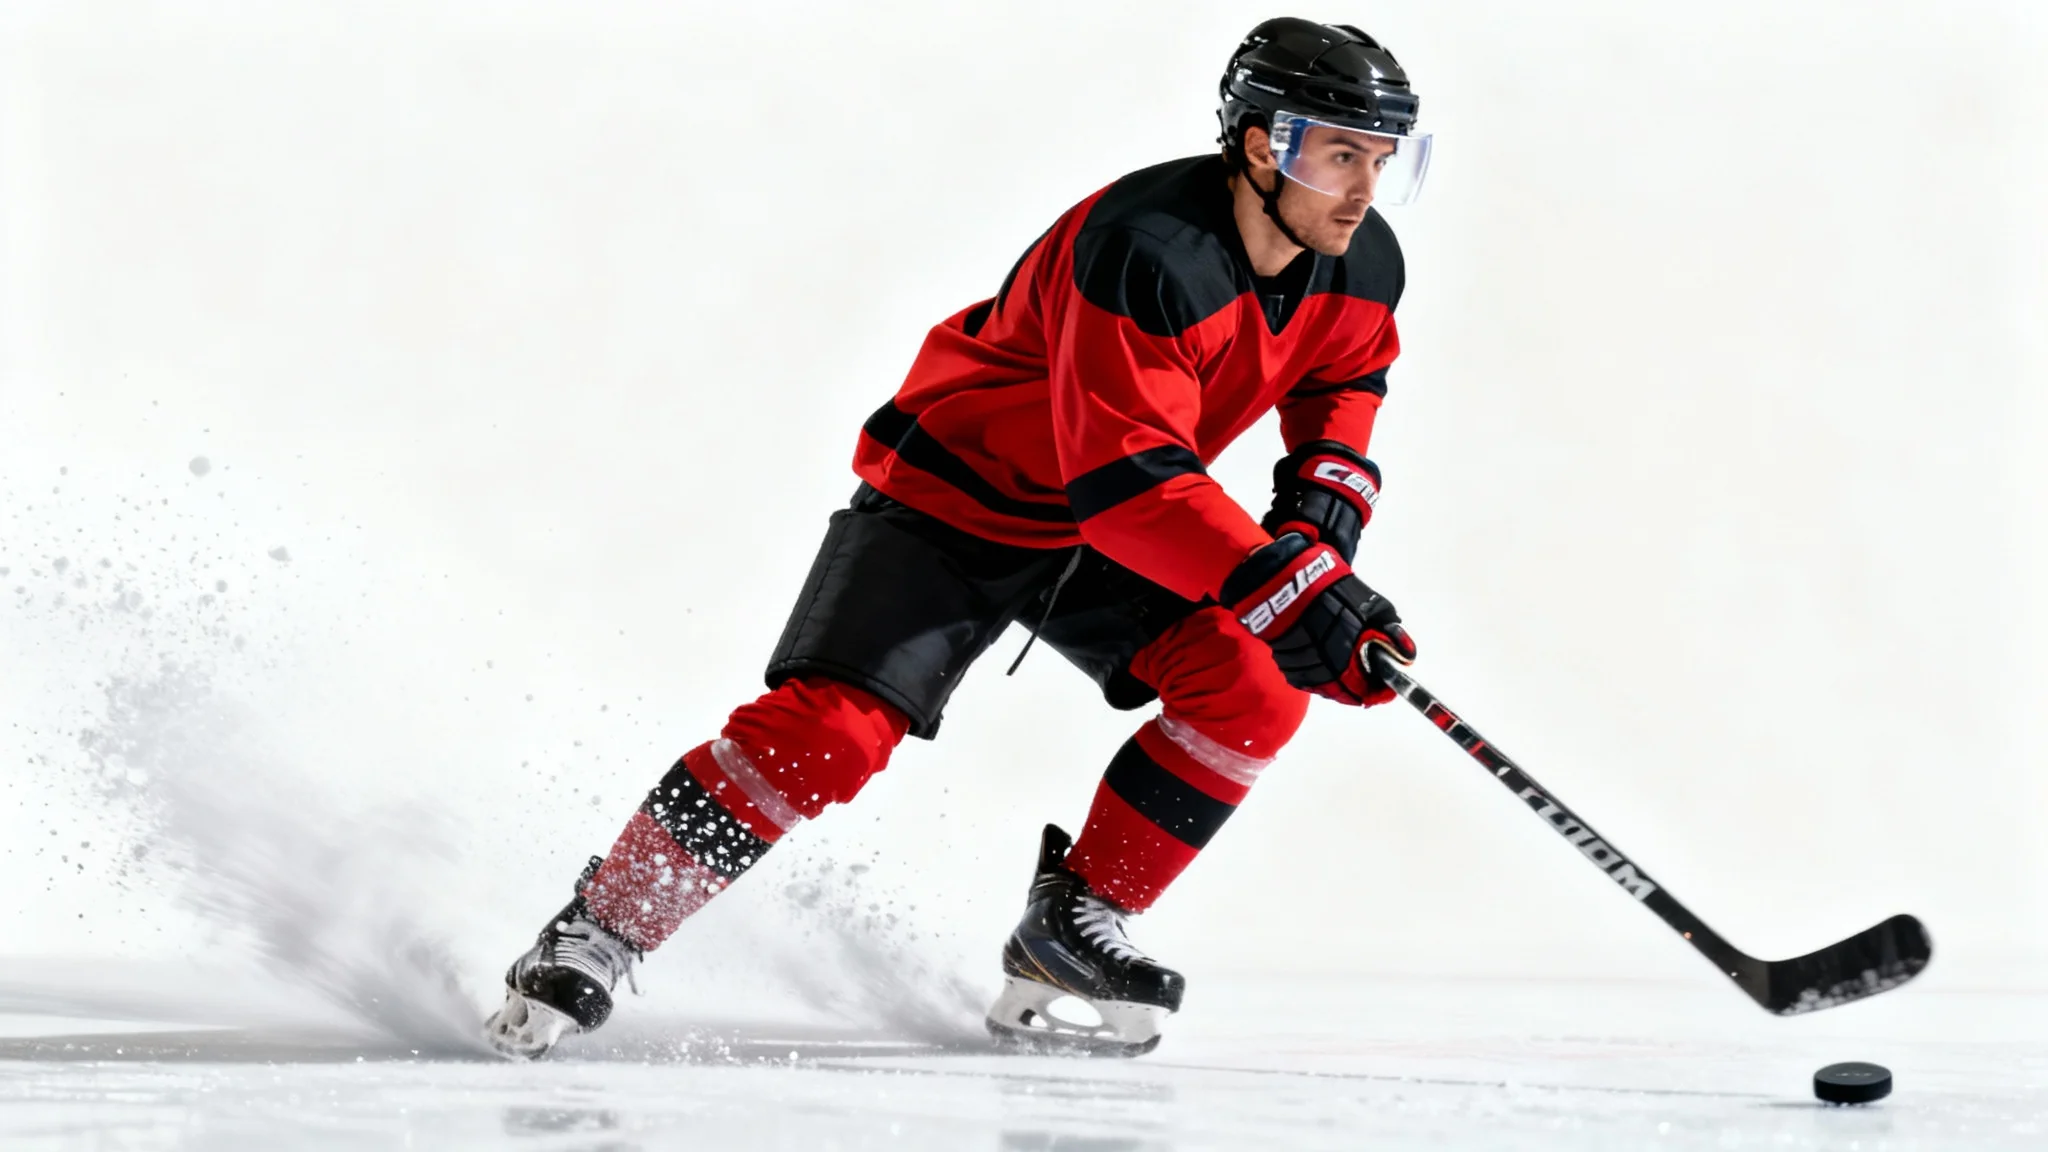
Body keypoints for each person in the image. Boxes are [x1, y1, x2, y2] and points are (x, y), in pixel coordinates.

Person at [485, 16, 1435, 1059]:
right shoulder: (1146, 249)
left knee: (1252, 686)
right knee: (827, 735)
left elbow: (1339, 401)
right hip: (958, 504)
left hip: (1112, 528)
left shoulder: (1358, 261)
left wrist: (1313, 550)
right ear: (1260, 145)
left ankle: (1063, 936)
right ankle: (594, 931)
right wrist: (1287, 587)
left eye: (1383, 160)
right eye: (1337, 154)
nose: (1361, 188)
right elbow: (1124, 484)